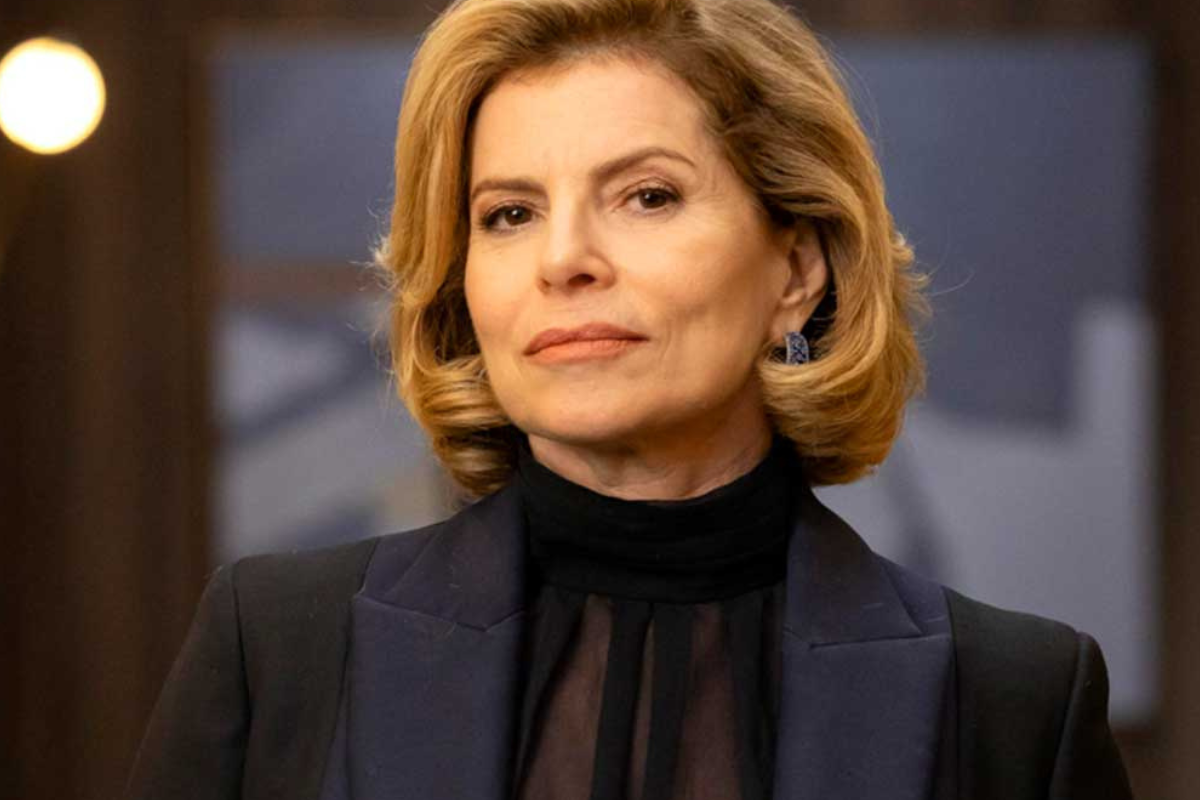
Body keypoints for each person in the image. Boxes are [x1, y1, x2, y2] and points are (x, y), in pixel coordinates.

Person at [125, 0, 1135, 797]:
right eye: (509, 213)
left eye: (647, 195)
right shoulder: (277, 646)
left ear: (796, 270)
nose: (563, 258)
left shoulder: (1016, 699)